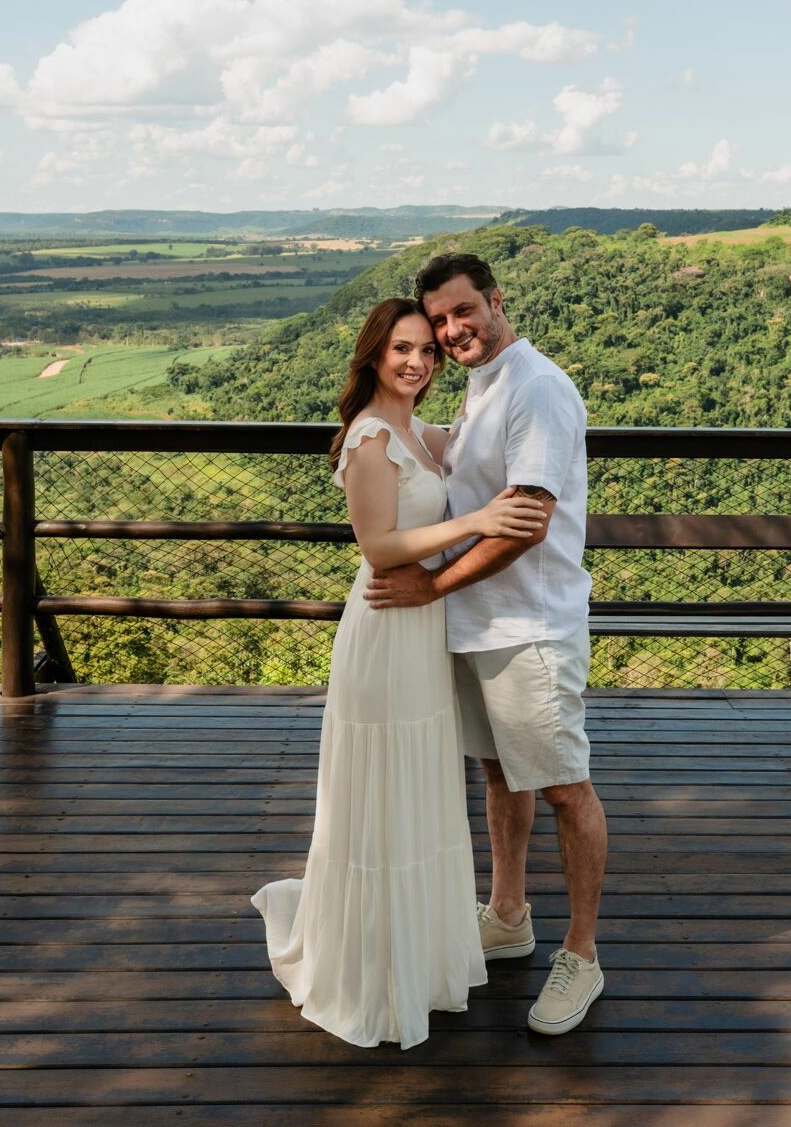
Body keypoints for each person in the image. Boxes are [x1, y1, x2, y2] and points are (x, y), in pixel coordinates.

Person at [250, 297, 547, 1049]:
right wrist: (476, 523)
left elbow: (493, 441)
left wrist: (526, 376)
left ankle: (414, 954)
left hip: (424, 626)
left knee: (417, 786)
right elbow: (380, 547)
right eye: (401, 349)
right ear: (374, 356)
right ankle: (372, 967)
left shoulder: (419, 430)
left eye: (426, 351)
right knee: (381, 789)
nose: (416, 361)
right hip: (385, 625)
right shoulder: (370, 437)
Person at [364, 254, 608, 1037]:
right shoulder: (483, 383)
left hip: (527, 626)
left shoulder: (535, 387)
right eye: (438, 322)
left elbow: (526, 519)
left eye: (463, 312)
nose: (451, 330)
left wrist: (432, 588)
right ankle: (507, 914)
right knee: (502, 774)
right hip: (479, 624)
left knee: (564, 785)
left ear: (496, 302)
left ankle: (582, 955)